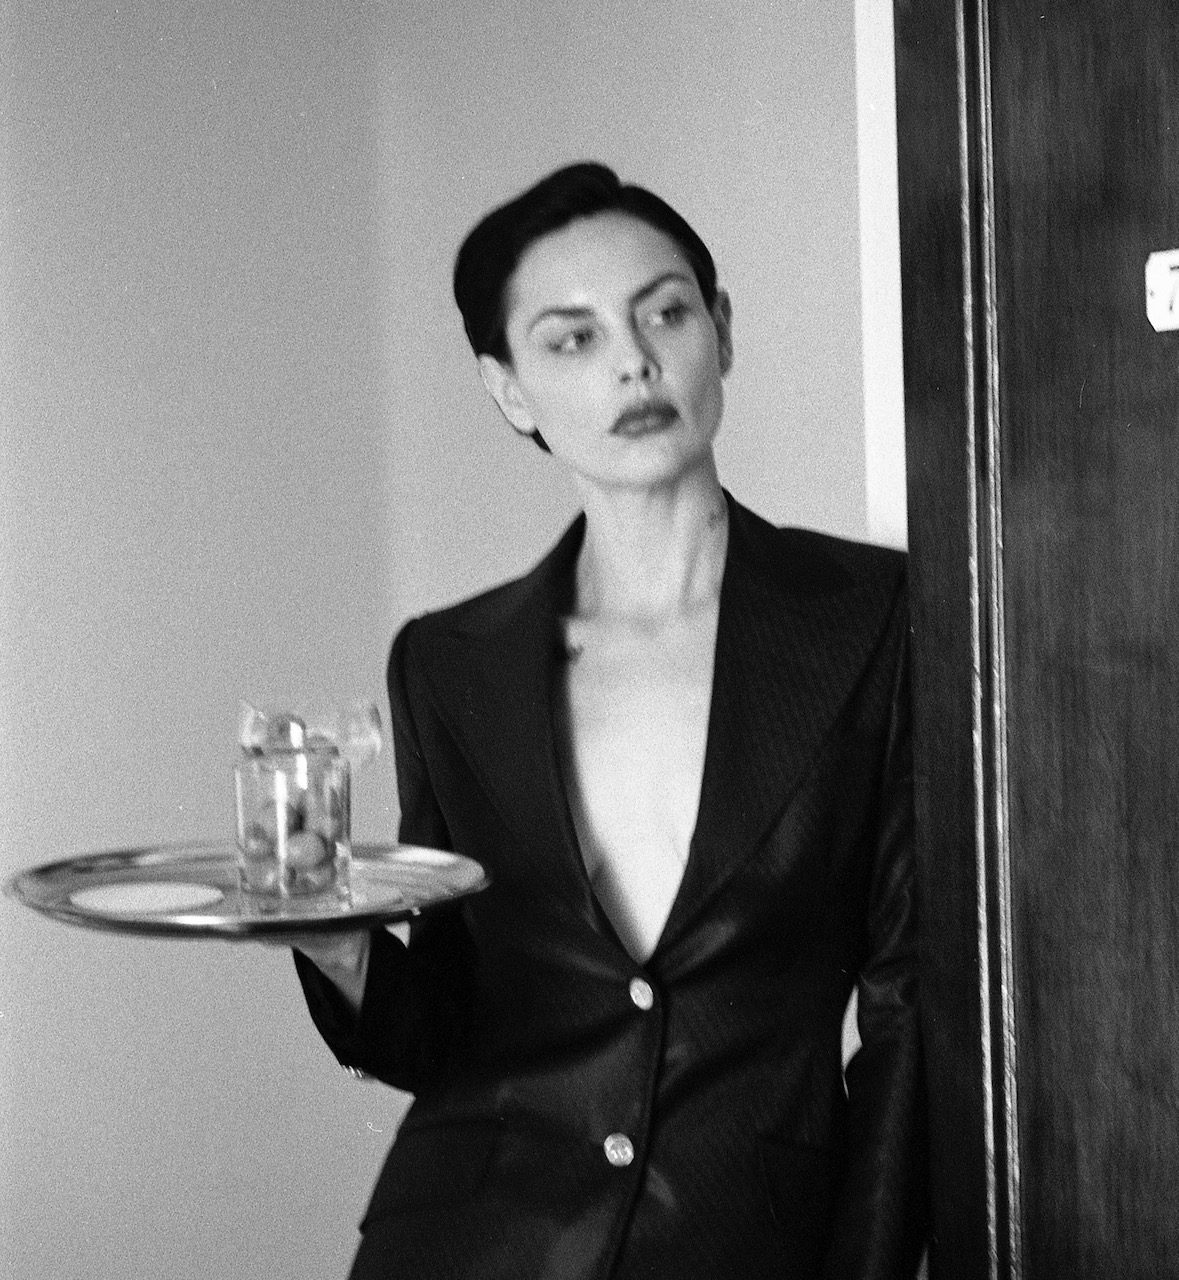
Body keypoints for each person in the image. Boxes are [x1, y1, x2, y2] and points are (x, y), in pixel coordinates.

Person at [292, 162, 927, 1279]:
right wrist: (328, 933)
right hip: (464, 1242)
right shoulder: (448, 662)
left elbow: (912, 1008)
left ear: (720, 330)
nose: (634, 360)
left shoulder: (879, 619)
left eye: (664, 313)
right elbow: (446, 1031)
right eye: (572, 338)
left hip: (740, 1238)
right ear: (508, 389)